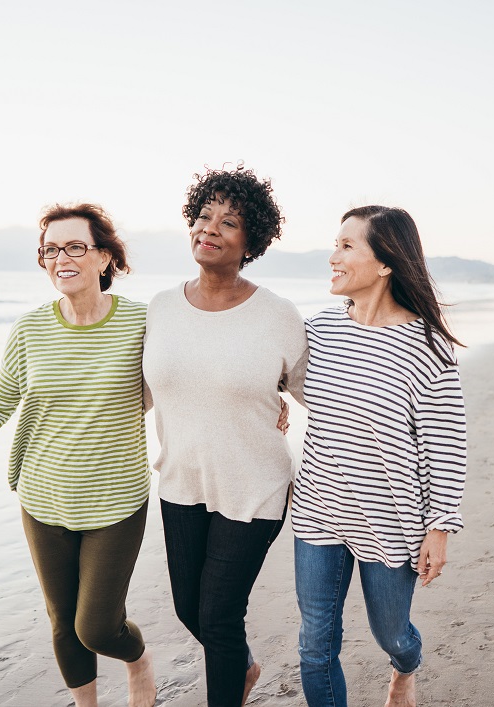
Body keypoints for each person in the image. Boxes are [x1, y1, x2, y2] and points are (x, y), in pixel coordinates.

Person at [0, 204, 156, 707]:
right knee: (63, 625)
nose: (62, 258)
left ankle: (138, 659)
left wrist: (270, 393)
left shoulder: (144, 323)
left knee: (97, 627)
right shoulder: (31, 330)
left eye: (75, 246)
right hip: (43, 498)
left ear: (105, 258)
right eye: (51, 249)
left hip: (116, 500)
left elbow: (194, 372)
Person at [141, 165, 308, 707]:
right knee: (190, 609)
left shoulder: (278, 315)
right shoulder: (161, 308)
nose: (209, 228)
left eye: (229, 221)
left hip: (254, 486)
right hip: (181, 480)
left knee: (217, 614)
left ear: (251, 240)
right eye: (203, 215)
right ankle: (243, 668)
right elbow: (136, 394)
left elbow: (318, 396)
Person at [292, 206, 468, 707]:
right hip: (318, 511)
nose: (333, 257)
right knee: (315, 645)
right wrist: (273, 406)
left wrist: (440, 528)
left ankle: (405, 669)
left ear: (386, 262)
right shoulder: (320, 330)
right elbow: (277, 377)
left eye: (347, 246)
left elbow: (446, 446)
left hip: (390, 521)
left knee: (392, 635)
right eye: (336, 244)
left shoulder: (427, 347)